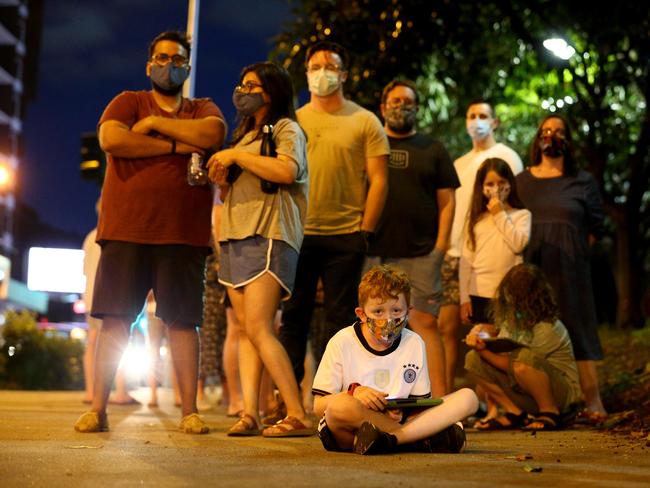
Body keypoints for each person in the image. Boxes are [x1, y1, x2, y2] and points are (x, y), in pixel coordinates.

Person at [74, 30, 226, 435]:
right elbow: (112, 139)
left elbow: (212, 135)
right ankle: (99, 409)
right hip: (126, 229)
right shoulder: (128, 101)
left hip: (182, 234)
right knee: (114, 320)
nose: (169, 66)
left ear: (187, 67)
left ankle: (189, 412)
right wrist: (177, 148)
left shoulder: (200, 108)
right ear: (149, 65)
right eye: (161, 58)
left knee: (183, 322)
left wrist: (157, 125)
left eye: (177, 60)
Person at [207, 61, 311, 437]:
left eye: (253, 86)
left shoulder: (286, 128)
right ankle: (249, 411)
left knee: (258, 327)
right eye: (241, 83)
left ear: (273, 92)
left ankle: (296, 412)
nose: (243, 91)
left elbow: (287, 171)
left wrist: (235, 157)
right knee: (246, 329)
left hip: (269, 233)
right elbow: (239, 186)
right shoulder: (244, 137)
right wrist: (222, 177)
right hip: (235, 237)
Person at [278, 41, 390, 392]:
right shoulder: (293, 120)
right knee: (293, 318)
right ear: (307, 74)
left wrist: (365, 231)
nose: (321, 72)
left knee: (341, 320)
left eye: (329, 66)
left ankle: (336, 396)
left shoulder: (365, 120)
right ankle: (288, 399)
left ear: (342, 74)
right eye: (314, 66)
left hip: (346, 235)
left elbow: (380, 180)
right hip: (298, 234)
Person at [312, 265, 478, 454]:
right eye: (378, 312)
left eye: (397, 311)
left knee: (468, 398)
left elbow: (419, 407)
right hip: (352, 425)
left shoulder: (414, 342)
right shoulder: (342, 341)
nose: (388, 319)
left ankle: (390, 440)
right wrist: (355, 393)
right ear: (361, 314)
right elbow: (319, 406)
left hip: (395, 423)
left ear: (409, 311)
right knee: (340, 408)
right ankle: (417, 440)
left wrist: (401, 413)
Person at [366, 79, 459, 397]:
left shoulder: (433, 148)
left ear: (417, 108)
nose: (400, 107)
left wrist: (440, 249)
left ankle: (442, 403)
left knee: (425, 324)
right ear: (382, 107)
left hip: (421, 254)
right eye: (394, 101)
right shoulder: (370, 146)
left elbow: (448, 202)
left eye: (407, 102)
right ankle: (380, 399)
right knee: (375, 328)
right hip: (373, 251)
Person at [516, 114, 607, 423]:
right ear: (537, 138)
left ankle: (593, 401)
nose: (552, 135)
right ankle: (543, 405)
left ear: (568, 140)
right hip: (533, 272)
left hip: (571, 270)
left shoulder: (582, 181)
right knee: (532, 334)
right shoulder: (522, 181)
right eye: (546, 130)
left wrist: (574, 251)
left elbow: (595, 227)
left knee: (579, 329)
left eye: (558, 131)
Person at [439, 100, 523, 392]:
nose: (477, 121)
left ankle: (497, 401)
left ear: (495, 122)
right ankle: (446, 399)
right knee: (447, 328)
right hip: (455, 253)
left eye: (483, 116)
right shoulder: (459, 163)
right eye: (472, 115)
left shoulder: (507, 157)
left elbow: (515, 204)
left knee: (492, 332)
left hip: (494, 256)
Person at [464, 263, 582, 430]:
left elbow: (519, 366)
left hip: (561, 397)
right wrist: (482, 337)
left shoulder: (548, 327)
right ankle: (515, 413)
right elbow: (505, 353)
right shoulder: (512, 321)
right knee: (472, 360)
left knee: (523, 358)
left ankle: (550, 412)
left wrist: (484, 352)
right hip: (525, 391)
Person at [459, 158, 530, 326]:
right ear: (481, 187)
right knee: (482, 341)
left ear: (510, 183)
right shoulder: (476, 219)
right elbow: (466, 262)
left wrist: (499, 213)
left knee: (508, 342)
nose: (496, 189)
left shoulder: (522, 215)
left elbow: (518, 244)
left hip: (510, 295)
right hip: (479, 294)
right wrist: (464, 299)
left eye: (501, 182)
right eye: (490, 184)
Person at [82, 204, 138, 407]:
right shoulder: (114, 234)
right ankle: (121, 391)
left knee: (93, 342)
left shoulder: (89, 238)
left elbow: (84, 270)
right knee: (116, 340)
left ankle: (90, 392)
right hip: (109, 296)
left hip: (90, 298)